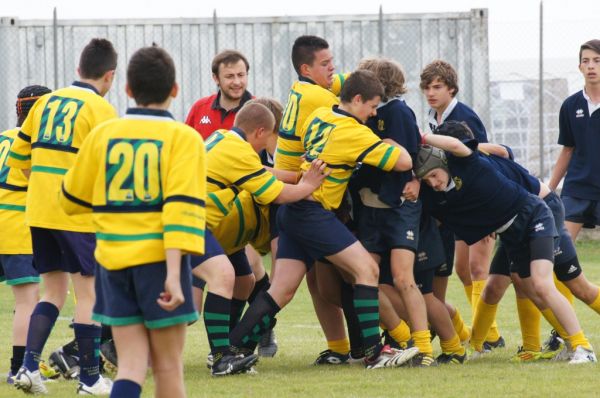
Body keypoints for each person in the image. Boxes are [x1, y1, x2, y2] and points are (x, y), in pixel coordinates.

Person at [230, 70, 419, 369]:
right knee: (367, 269)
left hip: (292, 209)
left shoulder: (319, 114)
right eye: (371, 106)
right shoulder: (353, 132)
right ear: (356, 100)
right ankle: (375, 352)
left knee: (281, 289)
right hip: (313, 212)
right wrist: (389, 141)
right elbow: (404, 161)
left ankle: (233, 350)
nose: (372, 114)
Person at [60, 45, 204, 398]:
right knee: (168, 368)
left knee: (130, 367)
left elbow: (70, 200)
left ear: (127, 89)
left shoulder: (103, 135)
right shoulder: (184, 138)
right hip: (158, 265)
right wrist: (174, 273)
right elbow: (180, 210)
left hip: (112, 265)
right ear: (174, 90)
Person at [417, 125, 597, 365]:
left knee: (556, 284)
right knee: (518, 284)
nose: (433, 183)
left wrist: (418, 136)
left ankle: (582, 347)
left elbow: (478, 149)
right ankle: (500, 345)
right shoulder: (445, 192)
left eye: (434, 176)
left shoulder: (468, 162)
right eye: (426, 180)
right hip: (512, 228)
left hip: (536, 214)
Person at [9, 38, 117, 395]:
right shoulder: (101, 109)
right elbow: (108, 171)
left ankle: (27, 368)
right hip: (76, 214)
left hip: (39, 212)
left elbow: (19, 159)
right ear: (109, 76)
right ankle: (89, 378)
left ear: (77, 70)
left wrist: (42, 188)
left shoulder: (45, 103)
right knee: (89, 296)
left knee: (52, 292)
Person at [193, 101, 327, 375]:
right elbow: (276, 193)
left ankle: (225, 349)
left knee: (244, 282)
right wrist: (308, 185)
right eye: (268, 138)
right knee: (218, 281)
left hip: (200, 223)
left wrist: (295, 175)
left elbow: (263, 173)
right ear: (260, 131)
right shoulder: (241, 151)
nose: (267, 145)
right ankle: (221, 357)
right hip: (188, 221)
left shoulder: (223, 138)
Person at [276, 34, 356, 365]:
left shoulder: (303, 88)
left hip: (288, 196)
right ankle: (376, 345)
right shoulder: (319, 102)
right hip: (307, 196)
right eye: (325, 64)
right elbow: (352, 102)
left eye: (332, 61)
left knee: (301, 283)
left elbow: (346, 81)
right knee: (356, 272)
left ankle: (340, 347)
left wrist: (366, 73)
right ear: (306, 68)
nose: (333, 69)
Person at [353, 57, 436, 366]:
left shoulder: (398, 112)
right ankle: (401, 338)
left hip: (400, 206)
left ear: (380, 83)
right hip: (371, 207)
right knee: (363, 277)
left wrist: (415, 180)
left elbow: (412, 156)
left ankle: (424, 348)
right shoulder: (360, 113)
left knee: (403, 278)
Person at [420, 59, 503, 349]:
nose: (431, 92)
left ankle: (490, 335)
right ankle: (483, 331)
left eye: (438, 87)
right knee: (462, 268)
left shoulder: (464, 116)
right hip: (459, 203)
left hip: (477, 201)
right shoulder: (434, 117)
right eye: (427, 87)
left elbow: (482, 157)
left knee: (479, 268)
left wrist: (488, 210)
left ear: (452, 89)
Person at [0, 85, 50, 384]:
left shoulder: (3, 138)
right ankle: (20, 367)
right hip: (16, 227)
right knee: (27, 300)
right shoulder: (37, 145)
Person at [549, 39, 600, 241]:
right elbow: (567, 150)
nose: (591, 66)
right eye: (586, 61)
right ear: (580, 67)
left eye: (597, 60)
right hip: (577, 190)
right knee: (558, 249)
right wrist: (549, 189)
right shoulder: (570, 105)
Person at [186, 50, 253, 139]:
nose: (237, 82)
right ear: (216, 78)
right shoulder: (200, 108)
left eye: (241, 75)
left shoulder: (259, 110)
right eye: (230, 76)